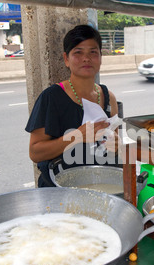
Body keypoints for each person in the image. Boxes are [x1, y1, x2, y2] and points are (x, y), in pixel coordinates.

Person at [25, 25, 120, 187]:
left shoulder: (108, 97)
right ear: (66, 59)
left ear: (100, 58)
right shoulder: (51, 97)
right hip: (60, 188)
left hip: (102, 184)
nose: (86, 58)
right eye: (78, 52)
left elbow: (115, 141)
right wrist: (76, 137)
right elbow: (35, 152)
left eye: (93, 52)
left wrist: (116, 144)